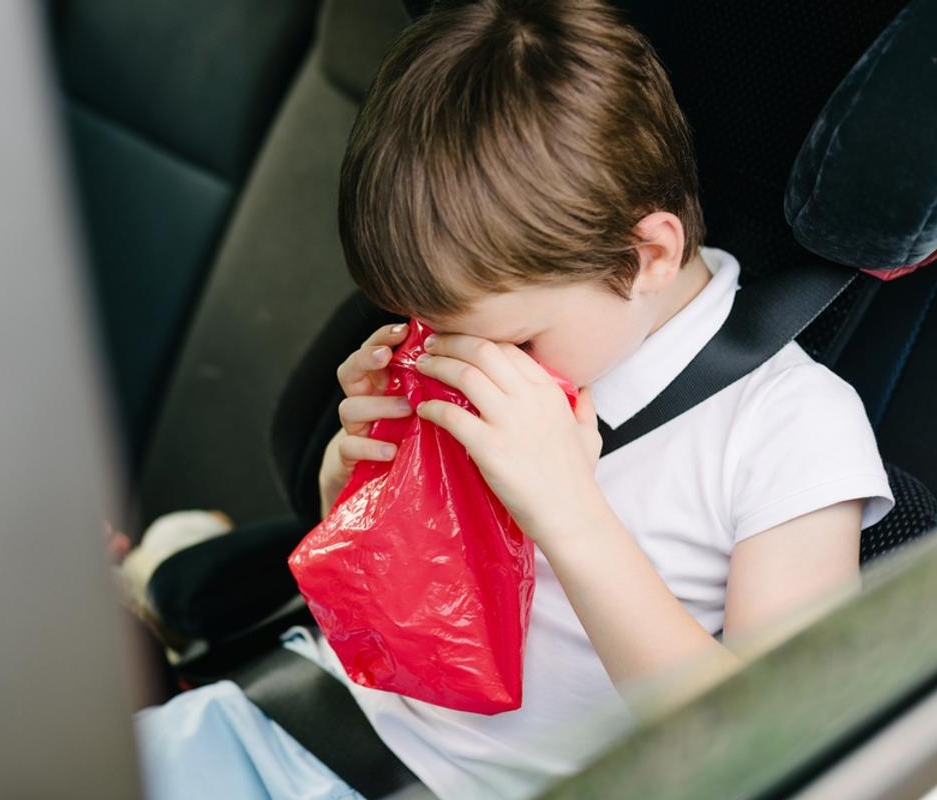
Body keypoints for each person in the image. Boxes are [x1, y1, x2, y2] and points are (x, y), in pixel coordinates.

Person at [132, 1, 896, 798]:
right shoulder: (517, 309)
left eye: (515, 340)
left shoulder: (789, 430)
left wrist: (571, 515)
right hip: (284, 722)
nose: (464, 362)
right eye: (429, 330)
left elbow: (781, 738)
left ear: (649, 256)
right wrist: (355, 492)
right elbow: (400, 612)